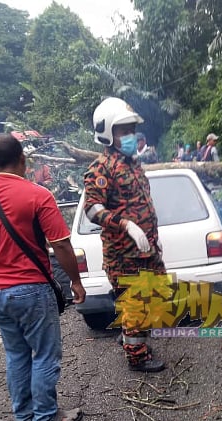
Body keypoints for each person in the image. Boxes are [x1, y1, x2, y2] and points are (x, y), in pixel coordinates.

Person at [0, 133, 86, 421]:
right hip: (31, 288)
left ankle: (23, 414)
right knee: (45, 353)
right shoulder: (37, 195)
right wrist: (75, 281)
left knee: (16, 354)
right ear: (23, 159)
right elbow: (61, 245)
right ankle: (45, 418)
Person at [83, 97, 165, 373]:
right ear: (107, 133)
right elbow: (92, 210)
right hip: (124, 255)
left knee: (155, 296)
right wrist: (126, 225)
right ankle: (137, 356)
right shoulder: (100, 169)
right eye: (123, 131)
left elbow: (143, 202)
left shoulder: (133, 164)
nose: (129, 136)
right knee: (137, 304)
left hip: (147, 249)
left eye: (131, 129)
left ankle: (132, 338)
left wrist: (154, 236)